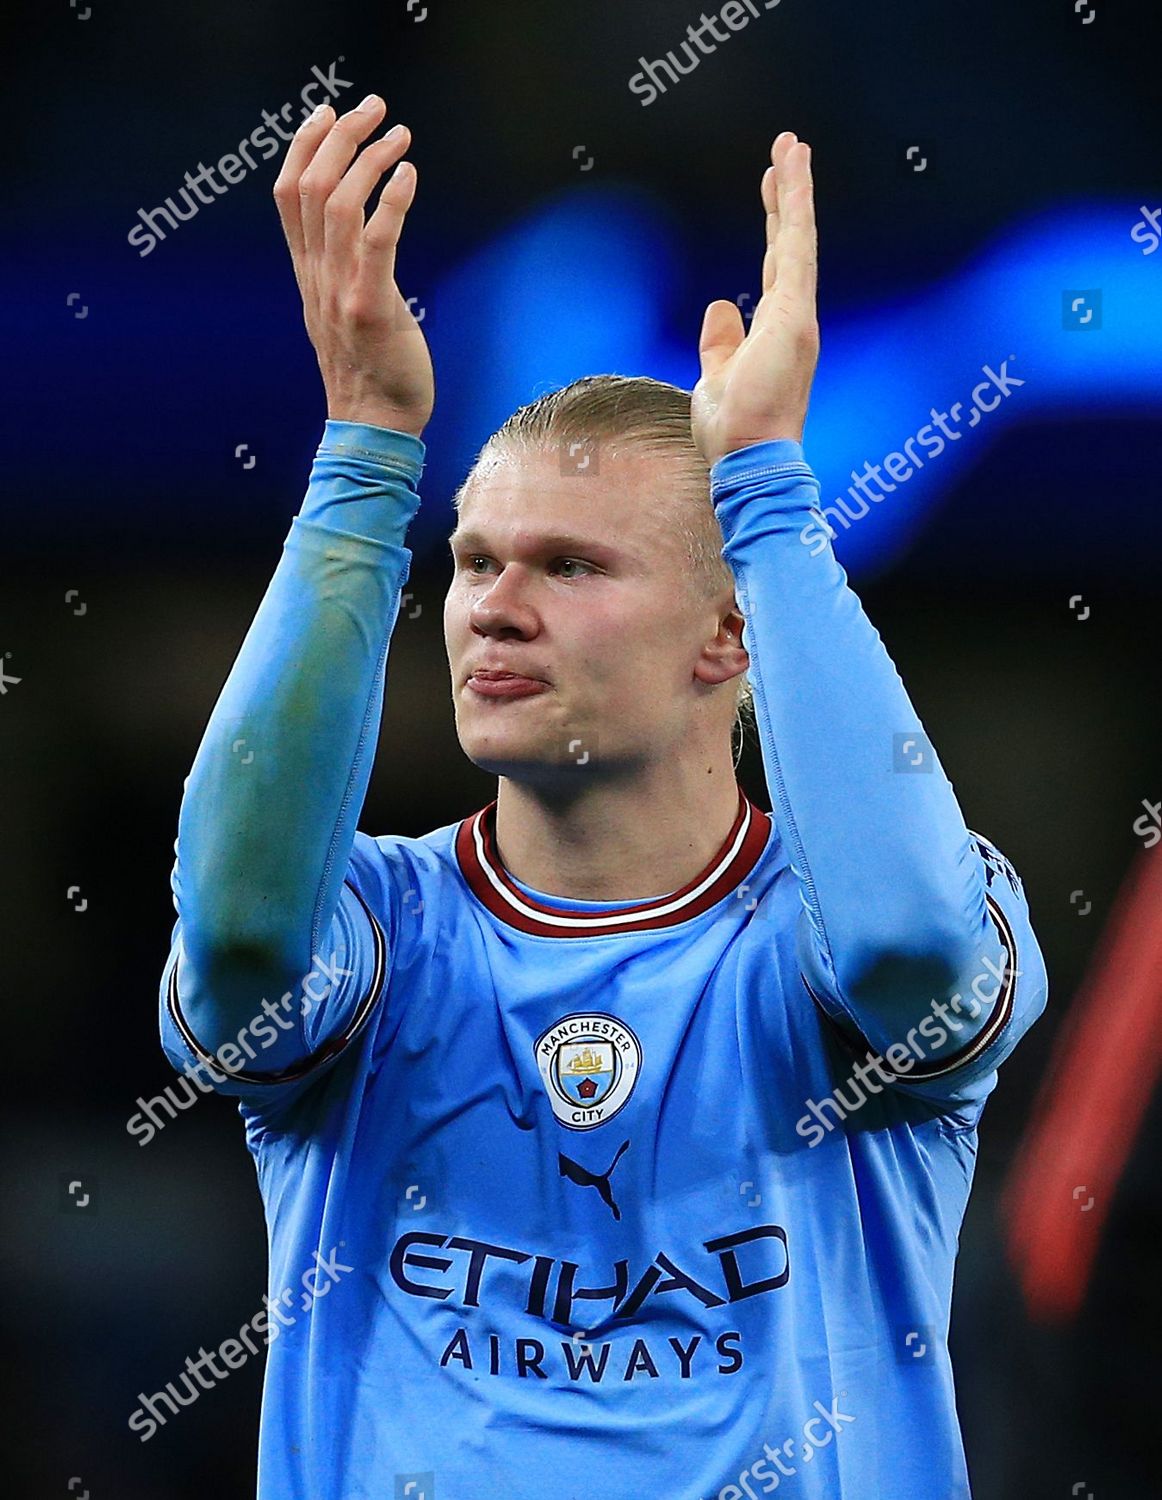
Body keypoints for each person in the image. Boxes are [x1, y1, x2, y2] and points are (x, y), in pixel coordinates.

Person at [156, 92, 1047, 1500]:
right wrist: (367, 449)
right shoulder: (376, 936)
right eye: (474, 562)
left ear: (727, 637)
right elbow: (242, 936)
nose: (491, 612)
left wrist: (764, 492)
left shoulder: (840, 939)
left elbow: (902, 952)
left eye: (570, 567)